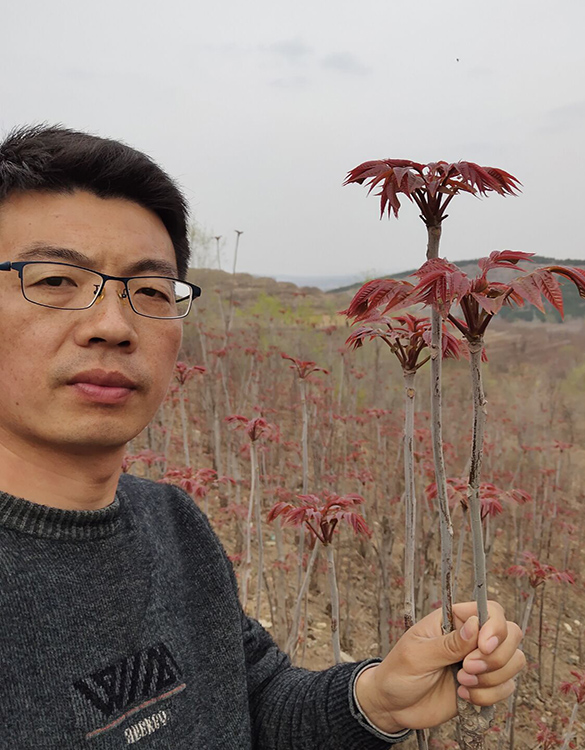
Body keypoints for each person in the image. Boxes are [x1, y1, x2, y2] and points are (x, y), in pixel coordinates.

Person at [0, 125, 525, 749]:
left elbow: (253, 701)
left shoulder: (172, 523)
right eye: (55, 281)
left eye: (149, 291)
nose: (112, 325)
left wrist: (379, 697)